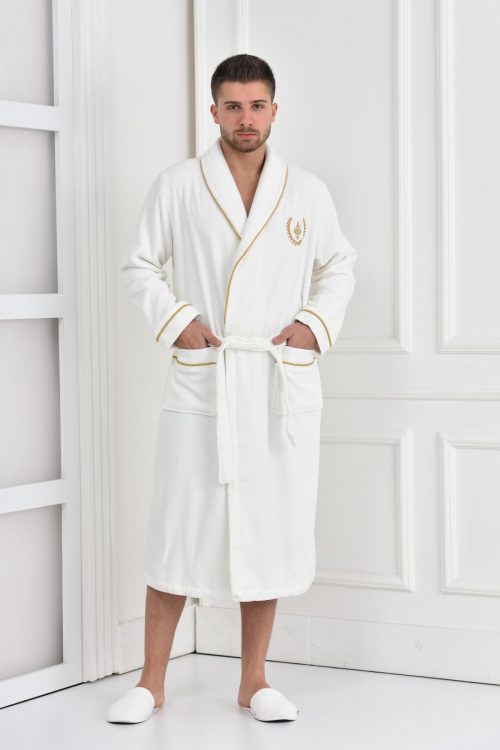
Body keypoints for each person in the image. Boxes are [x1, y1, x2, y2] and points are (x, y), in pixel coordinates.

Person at [107, 53, 357, 724]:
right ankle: (151, 683)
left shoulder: (306, 192)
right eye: (233, 106)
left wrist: (312, 325)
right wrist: (178, 321)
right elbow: (138, 265)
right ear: (213, 111)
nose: (246, 118)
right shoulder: (178, 186)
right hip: (207, 379)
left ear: (275, 110)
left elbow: (339, 266)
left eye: (257, 105)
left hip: (273, 381)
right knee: (178, 527)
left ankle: (254, 680)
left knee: (266, 530)